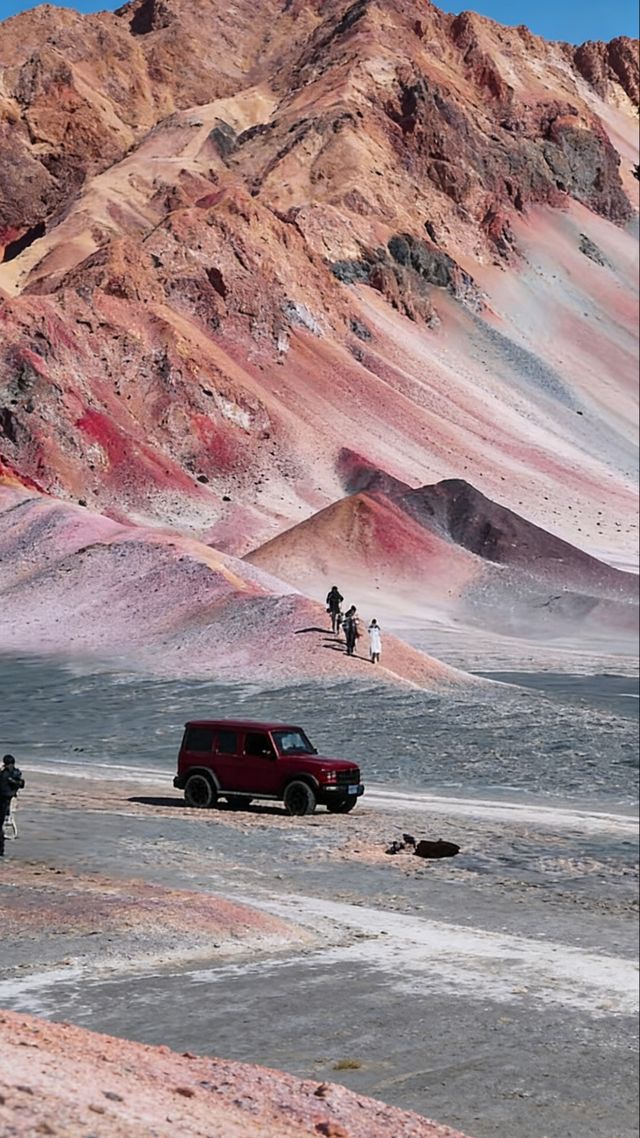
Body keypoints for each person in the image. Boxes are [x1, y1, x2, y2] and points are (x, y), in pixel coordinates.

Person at [0, 755, 25, 858]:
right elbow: (21, 784)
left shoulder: (4, 774)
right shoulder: (15, 773)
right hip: (9, 800)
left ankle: (1, 850)